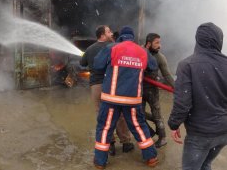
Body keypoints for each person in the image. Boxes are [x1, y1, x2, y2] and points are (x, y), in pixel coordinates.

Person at [93, 26, 158, 169]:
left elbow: (97, 65)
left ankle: (100, 162)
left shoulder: (111, 48)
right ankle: (151, 158)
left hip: (111, 98)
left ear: (121, 37)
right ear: (132, 38)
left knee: (105, 128)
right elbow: (153, 66)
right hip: (132, 99)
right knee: (139, 127)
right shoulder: (142, 51)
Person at [168, 22, 227, 170]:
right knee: (205, 163)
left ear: (198, 40)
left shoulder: (187, 65)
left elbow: (183, 102)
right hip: (223, 132)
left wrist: (174, 124)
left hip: (200, 133)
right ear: (219, 40)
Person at [80, 25, 134, 156]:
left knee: (102, 115)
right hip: (113, 85)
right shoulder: (114, 47)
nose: (111, 33)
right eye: (109, 32)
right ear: (102, 35)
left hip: (96, 86)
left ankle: (110, 144)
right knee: (120, 113)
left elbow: (82, 63)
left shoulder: (90, 49)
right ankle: (126, 142)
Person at [143, 33, 175, 148]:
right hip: (138, 89)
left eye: (159, 42)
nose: (159, 45)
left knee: (157, 114)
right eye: (157, 43)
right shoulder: (139, 52)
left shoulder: (160, 57)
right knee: (138, 114)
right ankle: (150, 132)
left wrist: (176, 88)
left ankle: (162, 138)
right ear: (148, 43)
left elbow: (167, 75)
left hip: (152, 90)